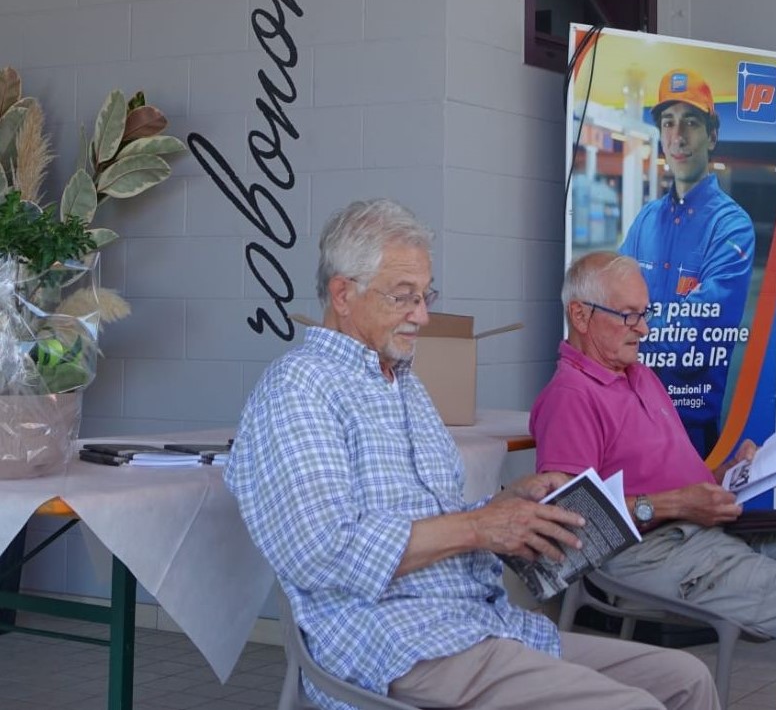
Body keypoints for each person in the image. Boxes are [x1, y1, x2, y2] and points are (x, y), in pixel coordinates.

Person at [225, 199, 720, 710]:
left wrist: (508, 504)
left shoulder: (402, 384)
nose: (422, 315)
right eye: (404, 296)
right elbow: (322, 551)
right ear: (342, 294)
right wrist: (480, 526)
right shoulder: (300, 388)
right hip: (399, 644)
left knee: (686, 680)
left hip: (476, 622)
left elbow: (435, 517)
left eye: (425, 295)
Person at [531, 252, 776, 710]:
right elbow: (572, 524)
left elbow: (676, 478)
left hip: (709, 529)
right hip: (650, 550)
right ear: (580, 315)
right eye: (629, 315)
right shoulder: (570, 397)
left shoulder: (639, 376)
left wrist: (730, 473)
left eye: (646, 313)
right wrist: (676, 505)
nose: (644, 329)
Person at [619, 68, 757, 458]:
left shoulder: (731, 226)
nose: (678, 136)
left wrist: (623, 333)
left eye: (691, 123)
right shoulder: (646, 220)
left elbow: (694, 334)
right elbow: (606, 300)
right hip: (630, 418)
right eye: (668, 122)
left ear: (712, 135)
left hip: (689, 431)